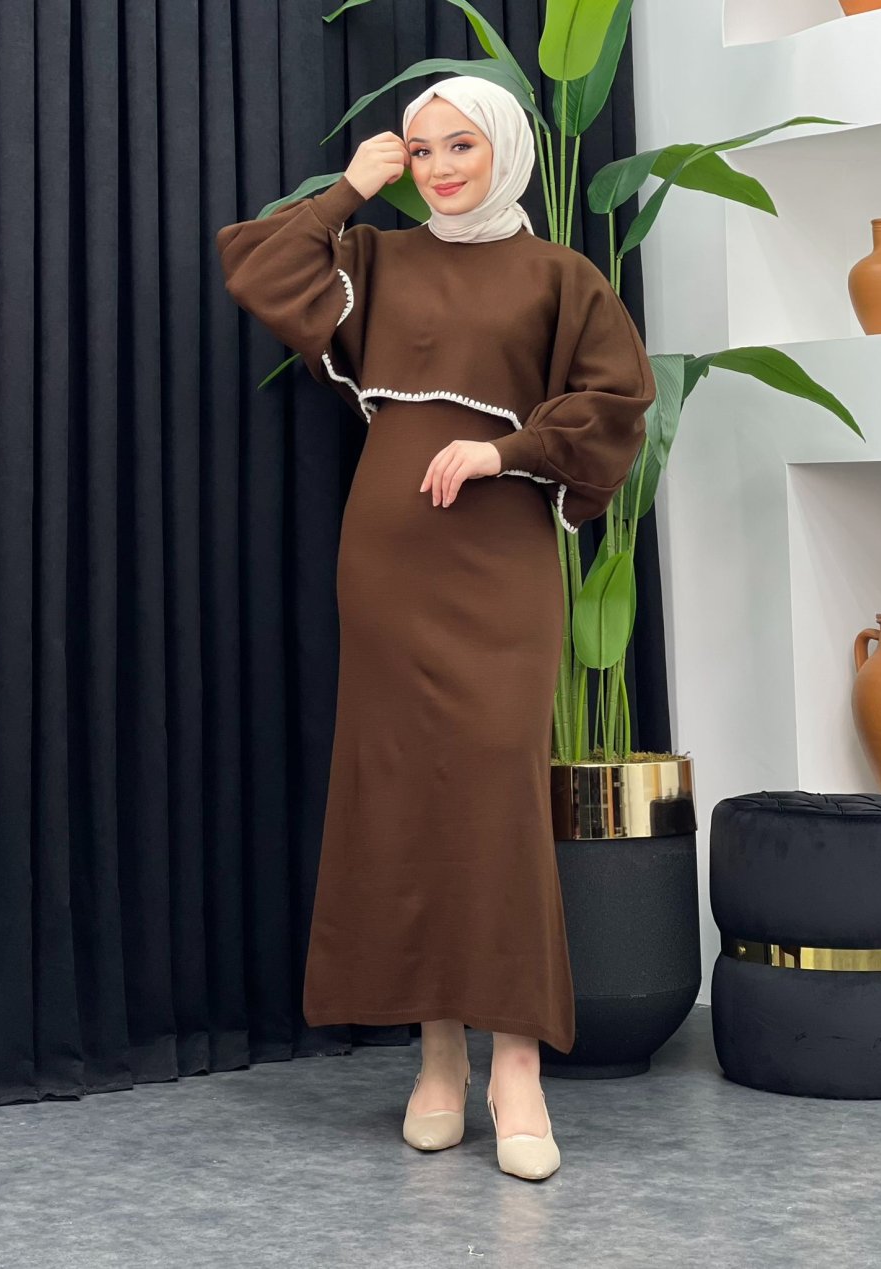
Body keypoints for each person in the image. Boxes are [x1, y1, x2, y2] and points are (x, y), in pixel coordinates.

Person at [215, 74, 656, 1182]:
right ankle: (440, 1059)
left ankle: (518, 1068)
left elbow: (615, 402)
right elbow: (259, 267)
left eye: (460, 144)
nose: (440, 167)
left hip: (500, 556)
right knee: (406, 794)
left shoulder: (561, 275)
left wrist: (501, 452)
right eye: (419, 150)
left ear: (502, 146)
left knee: (496, 795)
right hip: (389, 559)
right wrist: (348, 191)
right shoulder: (376, 258)